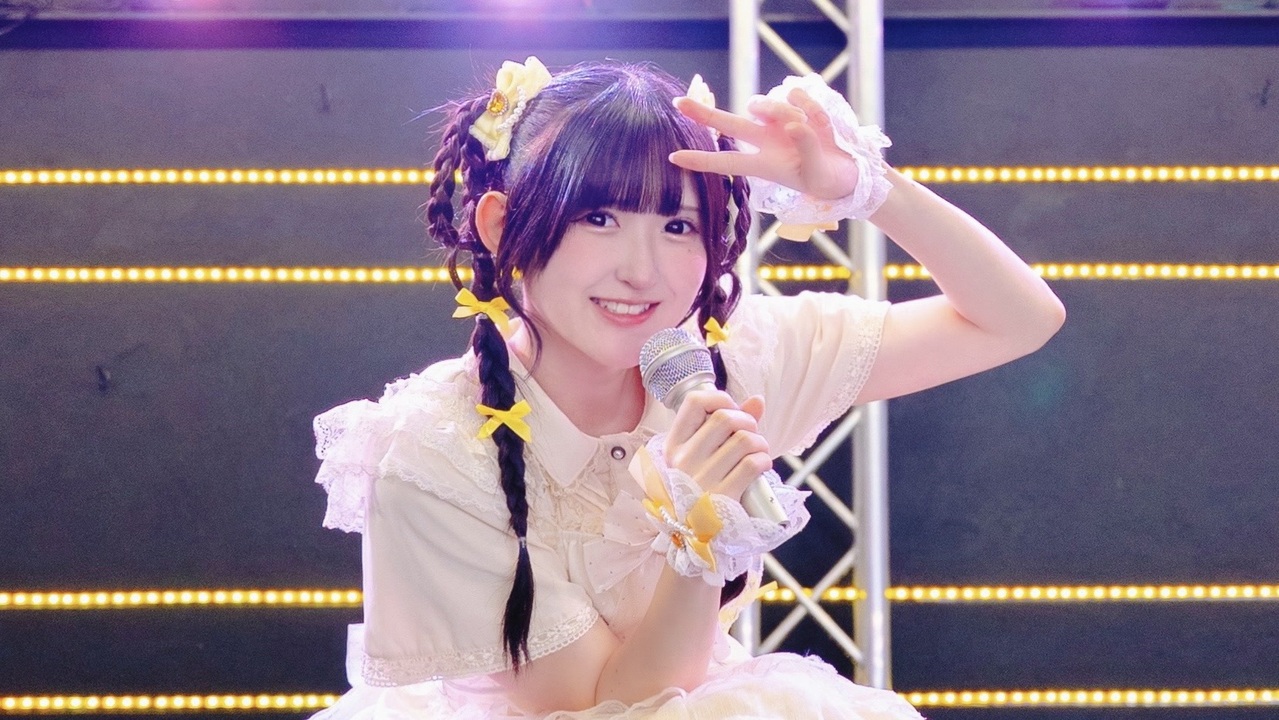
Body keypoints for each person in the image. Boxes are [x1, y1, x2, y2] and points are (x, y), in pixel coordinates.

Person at [310, 58, 1065, 720]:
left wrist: (866, 190)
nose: (642, 272)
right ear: (502, 227)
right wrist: (697, 535)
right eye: (598, 217)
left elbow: (1018, 320)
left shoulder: (735, 355)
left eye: (678, 226)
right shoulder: (432, 451)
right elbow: (608, 706)